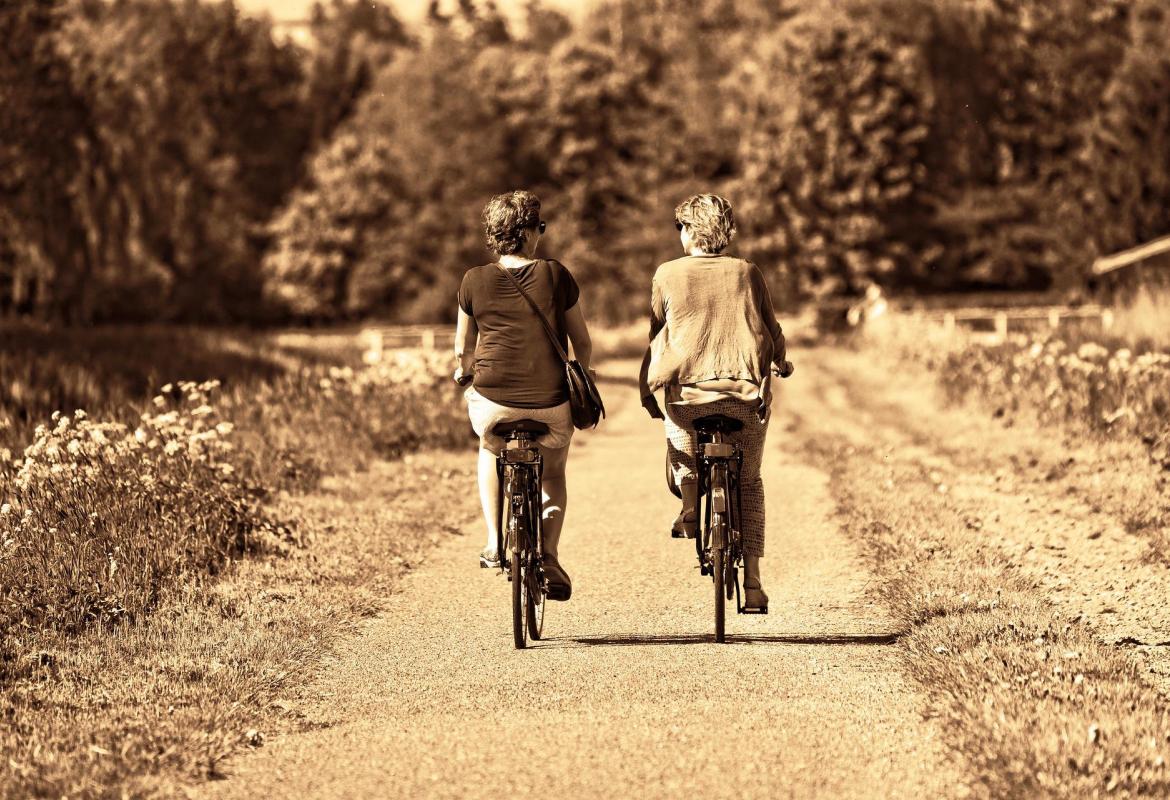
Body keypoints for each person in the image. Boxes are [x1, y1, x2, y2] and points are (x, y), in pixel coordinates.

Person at [638, 194, 791, 610]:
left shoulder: (667, 274)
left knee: (681, 434)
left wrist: (649, 383)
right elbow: (770, 329)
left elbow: (657, 330)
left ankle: (690, 508)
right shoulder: (748, 272)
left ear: (688, 230)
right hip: (744, 395)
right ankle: (755, 585)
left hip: (688, 395)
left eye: (680, 227)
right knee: (750, 482)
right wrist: (781, 362)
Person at [454, 190, 593, 600]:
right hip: (550, 400)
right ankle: (548, 555)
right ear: (531, 231)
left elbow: (463, 350)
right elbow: (581, 343)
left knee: (489, 448)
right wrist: (584, 375)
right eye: (541, 227)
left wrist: (463, 372)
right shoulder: (555, 274)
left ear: (495, 236)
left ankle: (495, 543)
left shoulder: (472, 280)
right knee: (552, 471)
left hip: (493, 398)